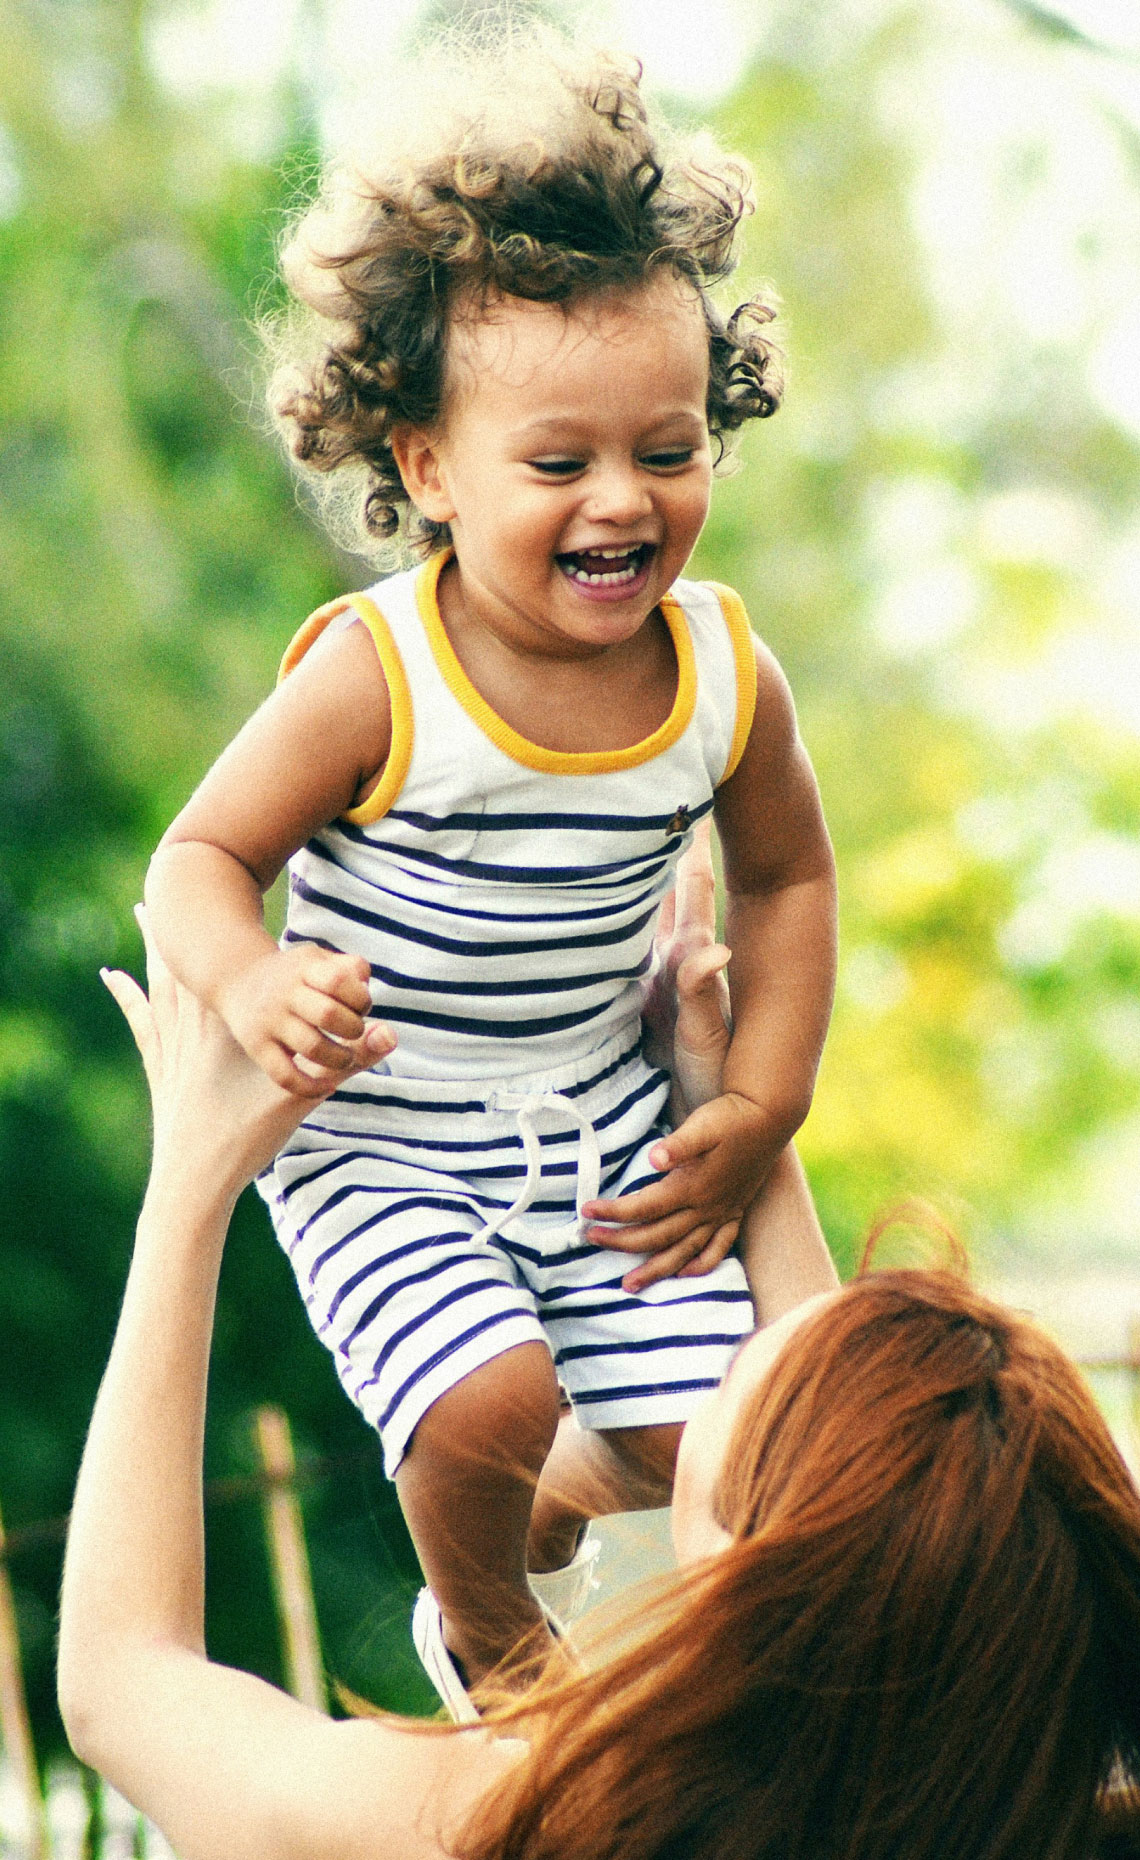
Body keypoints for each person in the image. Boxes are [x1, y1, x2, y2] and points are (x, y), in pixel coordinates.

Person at [143, 38, 839, 1702]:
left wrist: (760, 1105)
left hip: (597, 1111)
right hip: (384, 1128)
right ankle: (492, 1639)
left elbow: (792, 882)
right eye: (559, 464)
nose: (623, 500)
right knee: (481, 1401)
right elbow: (196, 857)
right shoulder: (380, 679)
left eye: (667, 449)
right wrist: (252, 981)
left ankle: (550, 1499)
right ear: (429, 467)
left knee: (716, 1443)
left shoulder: (725, 675)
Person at [58, 932, 1140, 1860]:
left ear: (740, 1581)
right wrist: (726, 1122)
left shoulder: (549, 1824)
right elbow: (845, 1508)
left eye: (724, 1398)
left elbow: (124, 1685)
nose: (725, 1355)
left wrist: (190, 1183)